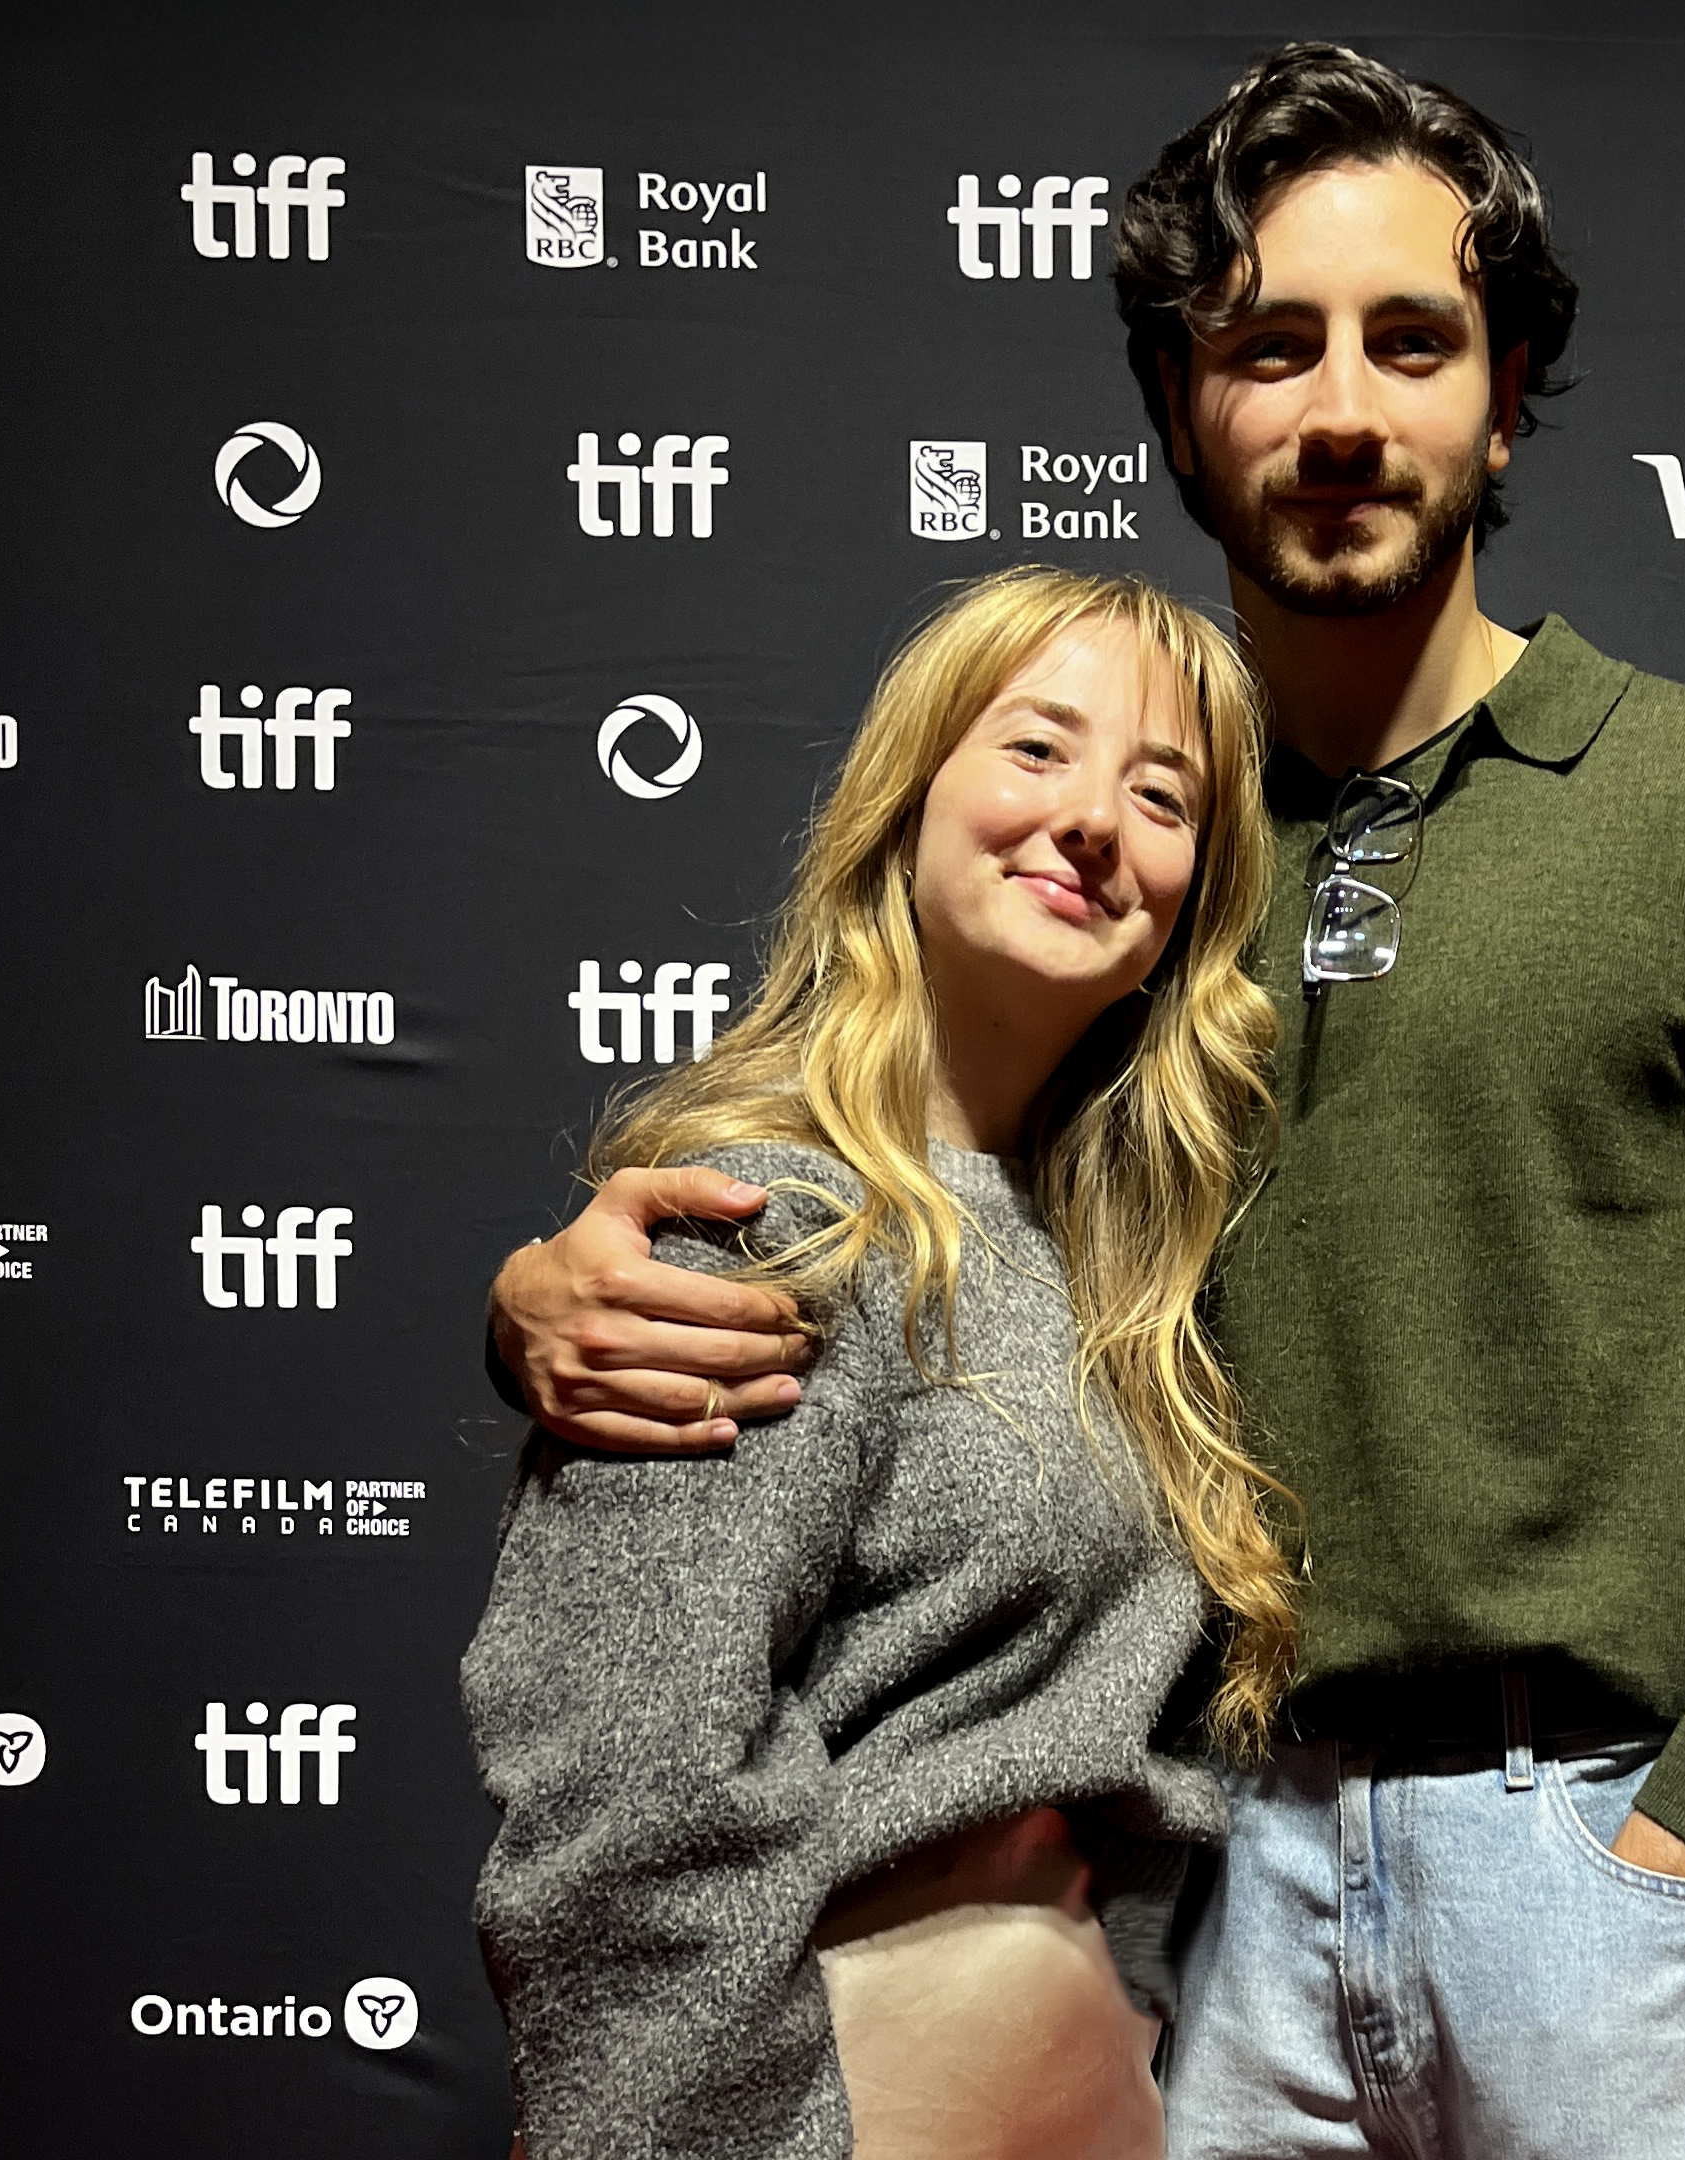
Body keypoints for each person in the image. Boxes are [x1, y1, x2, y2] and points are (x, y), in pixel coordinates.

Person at [485, 44, 1685, 2160]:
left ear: (1512, 381)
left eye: (1412, 341)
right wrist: (555, 1288)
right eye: (1269, 345)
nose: (1345, 410)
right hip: (1193, 1889)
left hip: (1592, 1857)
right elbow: (917, 1179)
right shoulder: (1133, 860)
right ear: (1181, 408)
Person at [461, 566, 1299, 2160]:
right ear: (912, 791)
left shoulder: (1129, 1280)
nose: (1094, 821)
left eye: (1162, 793)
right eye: (1037, 748)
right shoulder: (761, 1229)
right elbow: (635, 1797)